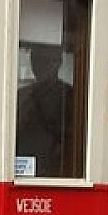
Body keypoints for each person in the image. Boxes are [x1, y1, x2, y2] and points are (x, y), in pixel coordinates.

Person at [15, 44, 73, 177]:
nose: (40, 65)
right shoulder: (22, 95)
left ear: (58, 62)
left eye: (46, 60)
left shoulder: (71, 96)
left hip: (59, 169)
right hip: (22, 167)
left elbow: (73, 137)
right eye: (35, 60)